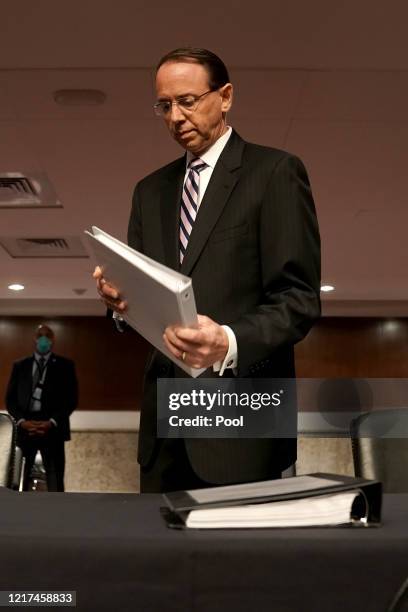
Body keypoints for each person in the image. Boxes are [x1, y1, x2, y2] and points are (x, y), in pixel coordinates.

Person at [94, 47, 321, 493]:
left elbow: (299, 299)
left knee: (236, 564)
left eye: (188, 101)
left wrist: (228, 341)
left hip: (240, 428)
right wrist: (121, 304)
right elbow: (146, 298)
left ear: (226, 96)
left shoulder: (275, 172)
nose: (175, 116)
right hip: (164, 434)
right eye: (164, 105)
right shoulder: (149, 192)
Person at [5, 324, 78, 491]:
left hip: (53, 429)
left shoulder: (65, 366)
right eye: (40, 335)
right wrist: (22, 421)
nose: (43, 339)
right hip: (25, 429)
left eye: (48, 335)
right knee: (17, 478)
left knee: (55, 480)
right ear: (35, 339)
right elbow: (10, 400)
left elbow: (71, 400)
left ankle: (58, 514)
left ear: (53, 340)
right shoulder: (20, 365)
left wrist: (51, 422)